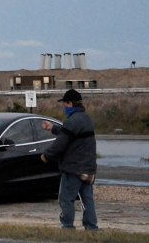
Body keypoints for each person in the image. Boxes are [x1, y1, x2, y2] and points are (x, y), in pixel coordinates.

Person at [41, 89, 99, 230]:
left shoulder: (72, 121)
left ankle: (67, 227)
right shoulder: (86, 119)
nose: (64, 107)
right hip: (89, 168)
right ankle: (91, 227)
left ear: (70, 104)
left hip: (74, 168)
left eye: (65, 104)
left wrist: (46, 156)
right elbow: (68, 133)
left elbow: (60, 143)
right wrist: (52, 128)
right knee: (87, 200)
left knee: (66, 199)